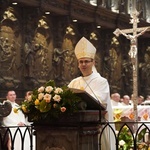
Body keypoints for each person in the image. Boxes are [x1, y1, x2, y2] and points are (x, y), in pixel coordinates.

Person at [68, 37, 115, 150]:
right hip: (75, 126)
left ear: (93, 62)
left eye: (86, 61)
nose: (83, 64)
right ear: (78, 64)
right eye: (81, 62)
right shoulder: (74, 82)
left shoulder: (101, 81)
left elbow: (100, 102)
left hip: (95, 126)